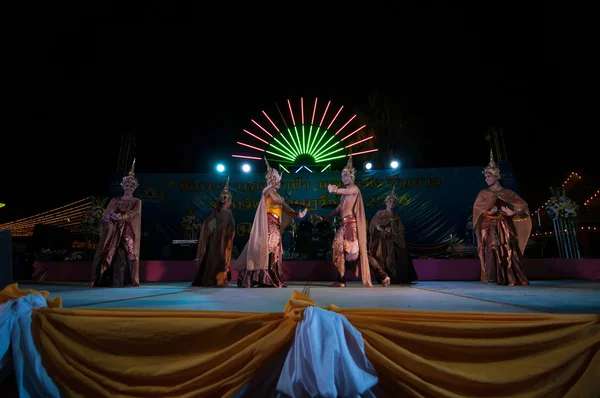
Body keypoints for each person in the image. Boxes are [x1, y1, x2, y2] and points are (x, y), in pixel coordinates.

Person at [235, 158, 307, 288]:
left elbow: (286, 208)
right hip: (268, 224)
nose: (279, 181)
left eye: (278, 179)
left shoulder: (278, 196)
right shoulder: (268, 192)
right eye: (276, 179)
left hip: (275, 225)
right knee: (266, 249)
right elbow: (263, 192)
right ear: (271, 180)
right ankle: (261, 278)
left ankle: (269, 278)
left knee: (274, 251)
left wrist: (298, 215)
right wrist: (270, 184)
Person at [473, 149, 531, 286]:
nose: (487, 180)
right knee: (493, 250)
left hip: (505, 225)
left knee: (509, 249)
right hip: (489, 226)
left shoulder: (508, 193)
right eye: (486, 177)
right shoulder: (483, 193)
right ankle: (495, 277)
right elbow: (477, 212)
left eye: (489, 177)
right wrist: (489, 212)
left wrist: (514, 213)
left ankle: (511, 277)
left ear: (497, 176)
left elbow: (523, 206)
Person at [316, 155, 373, 287]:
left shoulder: (354, 189)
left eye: (345, 175)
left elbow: (345, 191)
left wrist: (334, 190)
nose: (343, 178)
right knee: (337, 248)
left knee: (355, 255)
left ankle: (381, 274)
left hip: (351, 225)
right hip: (344, 225)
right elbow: (338, 209)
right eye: (342, 176)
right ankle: (341, 280)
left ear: (352, 176)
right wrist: (326, 218)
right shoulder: (344, 196)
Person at [89, 159, 141, 287]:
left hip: (127, 230)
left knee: (126, 252)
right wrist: (110, 218)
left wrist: (121, 217)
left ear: (134, 188)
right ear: (123, 186)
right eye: (127, 186)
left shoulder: (136, 201)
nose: (128, 188)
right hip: (113, 231)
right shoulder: (115, 200)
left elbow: (135, 213)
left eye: (131, 186)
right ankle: (101, 278)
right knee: (109, 250)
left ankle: (125, 280)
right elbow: (106, 214)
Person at [191, 177, 236, 287]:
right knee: (222, 258)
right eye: (230, 200)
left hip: (215, 237)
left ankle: (213, 278)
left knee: (214, 258)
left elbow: (207, 223)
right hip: (223, 238)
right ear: (228, 200)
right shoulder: (227, 212)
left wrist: (211, 234)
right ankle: (220, 280)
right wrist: (229, 237)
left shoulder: (217, 211)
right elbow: (231, 227)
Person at [368, 186, 418, 284]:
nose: (392, 203)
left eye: (394, 202)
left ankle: (398, 278)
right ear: (386, 203)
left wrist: (396, 234)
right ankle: (386, 277)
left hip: (396, 240)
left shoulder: (396, 216)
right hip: (384, 241)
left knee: (401, 255)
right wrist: (383, 230)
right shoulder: (380, 213)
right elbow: (374, 225)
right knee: (386, 258)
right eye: (390, 201)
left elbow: (401, 228)